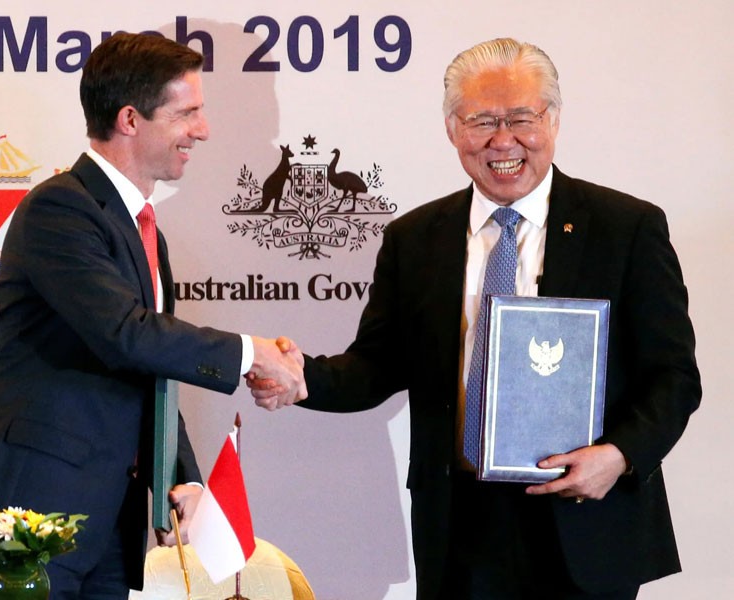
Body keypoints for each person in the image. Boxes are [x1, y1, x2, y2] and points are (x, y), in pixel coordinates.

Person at [251, 38, 700, 599]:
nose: (502, 140)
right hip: (461, 525)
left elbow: (674, 378)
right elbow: (376, 365)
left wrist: (619, 456)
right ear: (451, 129)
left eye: (521, 118)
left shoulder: (626, 229)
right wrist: (304, 379)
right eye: (481, 120)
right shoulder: (415, 239)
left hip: (586, 516)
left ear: (553, 120)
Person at [0, 32, 305, 600]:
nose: (202, 130)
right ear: (131, 119)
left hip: (110, 519)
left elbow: (150, 368)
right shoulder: (60, 208)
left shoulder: (143, 231)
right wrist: (250, 353)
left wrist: (179, 476)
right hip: (34, 510)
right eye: (187, 113)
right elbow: (125, 336)